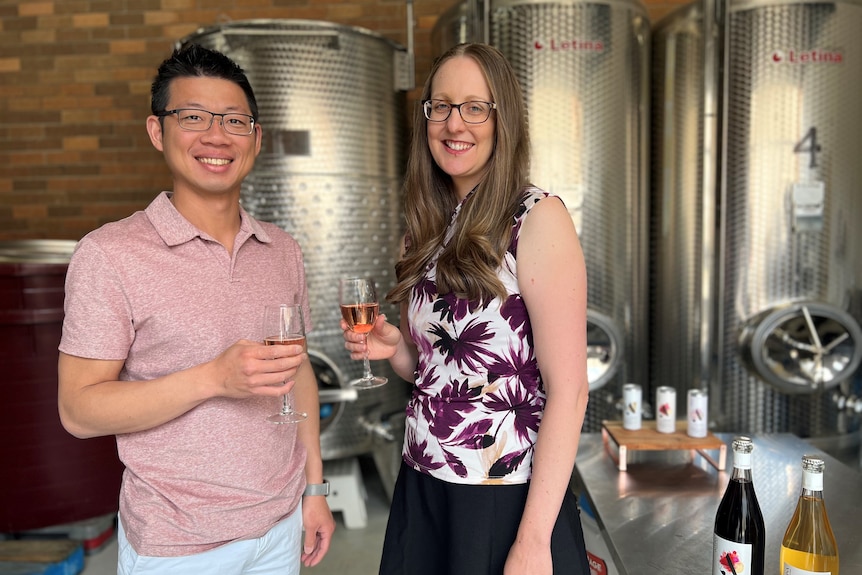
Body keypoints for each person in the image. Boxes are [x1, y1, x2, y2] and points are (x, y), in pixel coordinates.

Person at [58, 44, 334, 574]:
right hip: (176, 544)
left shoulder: (282, 250)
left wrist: (314, 486)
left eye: (234, 120)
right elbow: (78, 410)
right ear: (158, 131)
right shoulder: (110, 254)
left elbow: (296, 371)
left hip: (279, 528)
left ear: (256, 139)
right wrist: (213, 378)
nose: (216, 136)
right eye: (193, 117)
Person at [342, 43, 591, 575]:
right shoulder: (424, 228)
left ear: (504, 119)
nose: (456, 123)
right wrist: (395, 349)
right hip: (423, 480)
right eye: (442, 106)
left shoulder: (536, 218)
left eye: (476, 107)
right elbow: (437, 369)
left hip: (502, 494)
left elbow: (569, 390)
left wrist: (531, 541)